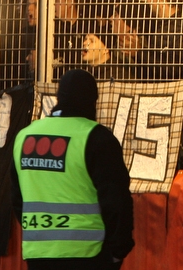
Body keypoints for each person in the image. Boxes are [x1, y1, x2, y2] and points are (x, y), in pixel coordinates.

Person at [12, 69, 134, 270]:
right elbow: (117, 202)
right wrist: (116, 253)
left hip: (39, 254)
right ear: (93, 101)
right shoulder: (96, 137)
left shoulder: (25, 137)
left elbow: (17, 199)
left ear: (59, 98)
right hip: (89, 255)